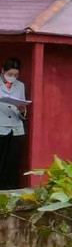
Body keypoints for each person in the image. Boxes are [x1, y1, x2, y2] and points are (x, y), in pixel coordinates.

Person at [0, 58, 25, 189]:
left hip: (16, 128)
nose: (12, 77)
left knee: (12, 162)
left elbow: (21, 109)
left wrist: (22, 110)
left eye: (15, 75)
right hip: (1, 127)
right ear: (3, 71)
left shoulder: (20, 86)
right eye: (10, 74)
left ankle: (10, 189)